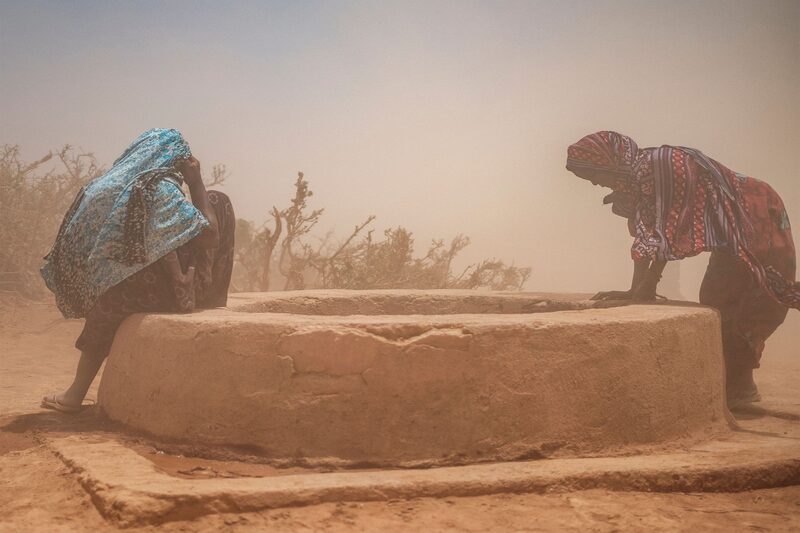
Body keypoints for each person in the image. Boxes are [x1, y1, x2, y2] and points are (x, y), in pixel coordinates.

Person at [565, 131, 799, 407]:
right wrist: (635, 290)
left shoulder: (666, 164)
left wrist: (647, 286)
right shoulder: (635, 180)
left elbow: (666, 230)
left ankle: (740, 387)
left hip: (754, 217)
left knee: (755, 296)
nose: (594, 183)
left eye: (592, 175)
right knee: (715, 298)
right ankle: (735, 386)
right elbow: (645, 235)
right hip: (726, 237)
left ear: (608, 162)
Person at [40, 129, 235, 413]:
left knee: (112, 299)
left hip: (110, 290)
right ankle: (211, 298)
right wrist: (197, 183)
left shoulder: (111, 186)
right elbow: (211, 237)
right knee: (218, 200)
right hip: (166, 292)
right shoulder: (159, 188)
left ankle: (75, 394)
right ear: (175, 157)